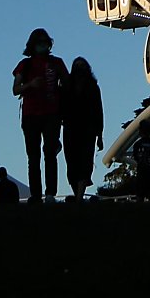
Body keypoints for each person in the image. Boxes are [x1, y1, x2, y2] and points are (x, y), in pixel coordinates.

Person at [12, 28, 70, 202]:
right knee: (34, 156)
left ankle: (50, 193)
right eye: (39, 43)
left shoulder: (57, 63)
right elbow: (15, 89)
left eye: (45, 42)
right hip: (31, 115)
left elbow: (67, 84)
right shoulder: (25, 64)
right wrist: (30, 85)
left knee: (49, 153)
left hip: (51, 114)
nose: (43, 46)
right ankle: (36, 194)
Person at [62, 56, 104, 201]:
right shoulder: (67, 87)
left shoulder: (93, 88)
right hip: (71, 129)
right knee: (72, 163)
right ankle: (77, 195)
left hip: (87, 130)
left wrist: (99, 134)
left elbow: (99, 111)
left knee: (84, 163)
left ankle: (79, 196)